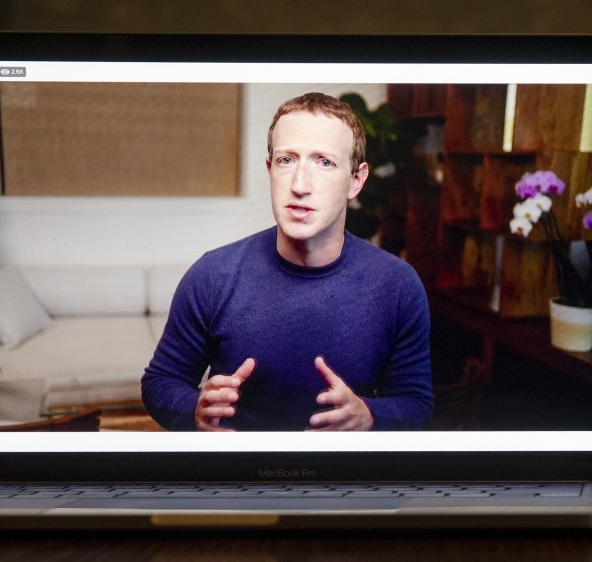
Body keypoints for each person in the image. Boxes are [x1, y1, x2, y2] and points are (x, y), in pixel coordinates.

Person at [143, 92, 433, 431]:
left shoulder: (397, 285)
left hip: (339, 478)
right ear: (270, 169)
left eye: (324, 162)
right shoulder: (213, 275)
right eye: (286, 160)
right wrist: (194, 407)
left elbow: (416, 403)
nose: (299, 185)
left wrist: (369, 416)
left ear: (356, 180)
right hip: (244, 476)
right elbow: (160, 381)